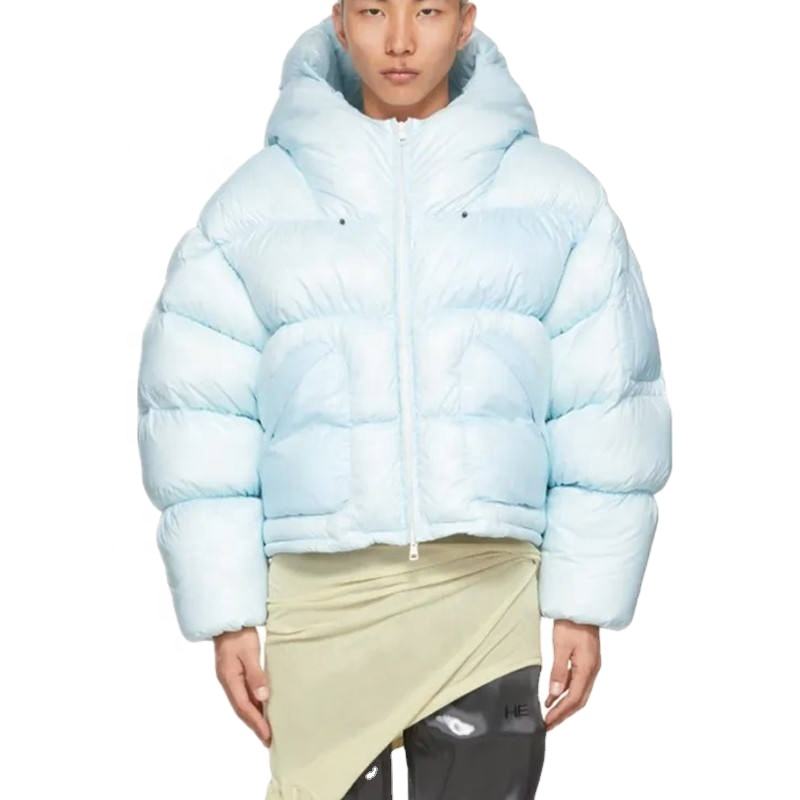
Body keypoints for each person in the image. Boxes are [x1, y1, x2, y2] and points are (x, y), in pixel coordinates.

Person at [136, 2, 672, 798]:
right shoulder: (251, 210)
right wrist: (226, 610)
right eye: (372, 10)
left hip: (485, 594)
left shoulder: (559, 201)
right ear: (339, 21)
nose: (398, 40)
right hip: (321, 602)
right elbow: (199, 417)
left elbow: (606, 406)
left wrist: (583, 602)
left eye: (425, 9)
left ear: (464, 21)